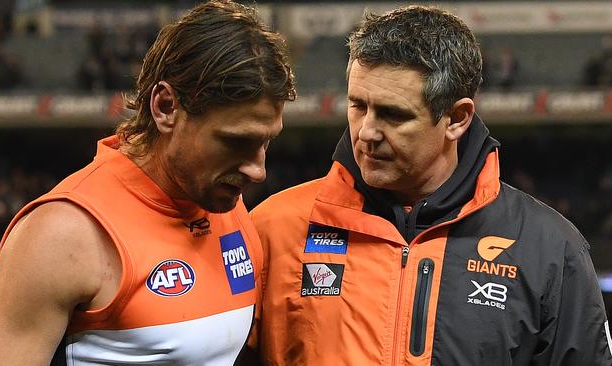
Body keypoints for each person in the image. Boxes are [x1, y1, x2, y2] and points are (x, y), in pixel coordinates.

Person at [247, 5, 612, 365]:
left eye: (393, 114)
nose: (367, 132)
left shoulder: (550, 249)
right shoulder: (272, 229)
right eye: (358, 106)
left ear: (457, 118)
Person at [0, 1, 295, 365]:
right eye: (235, 142)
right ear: (166, 107)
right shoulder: (63, 235)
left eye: (266, 142)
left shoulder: (225, 202)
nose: (258, 170)